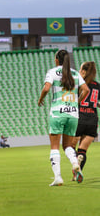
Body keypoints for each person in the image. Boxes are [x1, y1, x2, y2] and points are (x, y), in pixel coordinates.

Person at [38, 49, 89, 186]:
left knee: (54, 146)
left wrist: (41, 99)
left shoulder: (53, 72)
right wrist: (77, 102)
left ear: (56, 60)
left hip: (57, 113)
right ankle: (74, 163)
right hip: (73, 114)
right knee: (67, 145)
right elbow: (86, 90)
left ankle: (58, 177)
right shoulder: (75, 73)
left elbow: (46, 88)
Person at [71, 62, 100, 180]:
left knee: (70, 147)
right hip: (92, 119)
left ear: (83, 71)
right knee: (82, 150)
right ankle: (78, 170)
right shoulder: (98, 85)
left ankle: (75, 165)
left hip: (79, 117)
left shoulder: (78, 83)